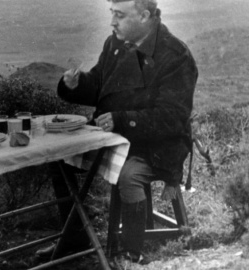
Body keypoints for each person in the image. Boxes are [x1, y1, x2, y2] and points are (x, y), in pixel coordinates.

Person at [36, 0, 198, 264]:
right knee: (60, 157)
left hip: (157, 147)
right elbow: (101, 85)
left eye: (120, 15)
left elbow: (172, 118)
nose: (112, 22)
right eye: (112, 14)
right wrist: (76, 85)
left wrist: (121, 120)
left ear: (145, 16)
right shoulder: (115, 44)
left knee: (128, 174)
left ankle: (130, 251)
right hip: (116, 137)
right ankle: (75, 237)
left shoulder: (175, 54)